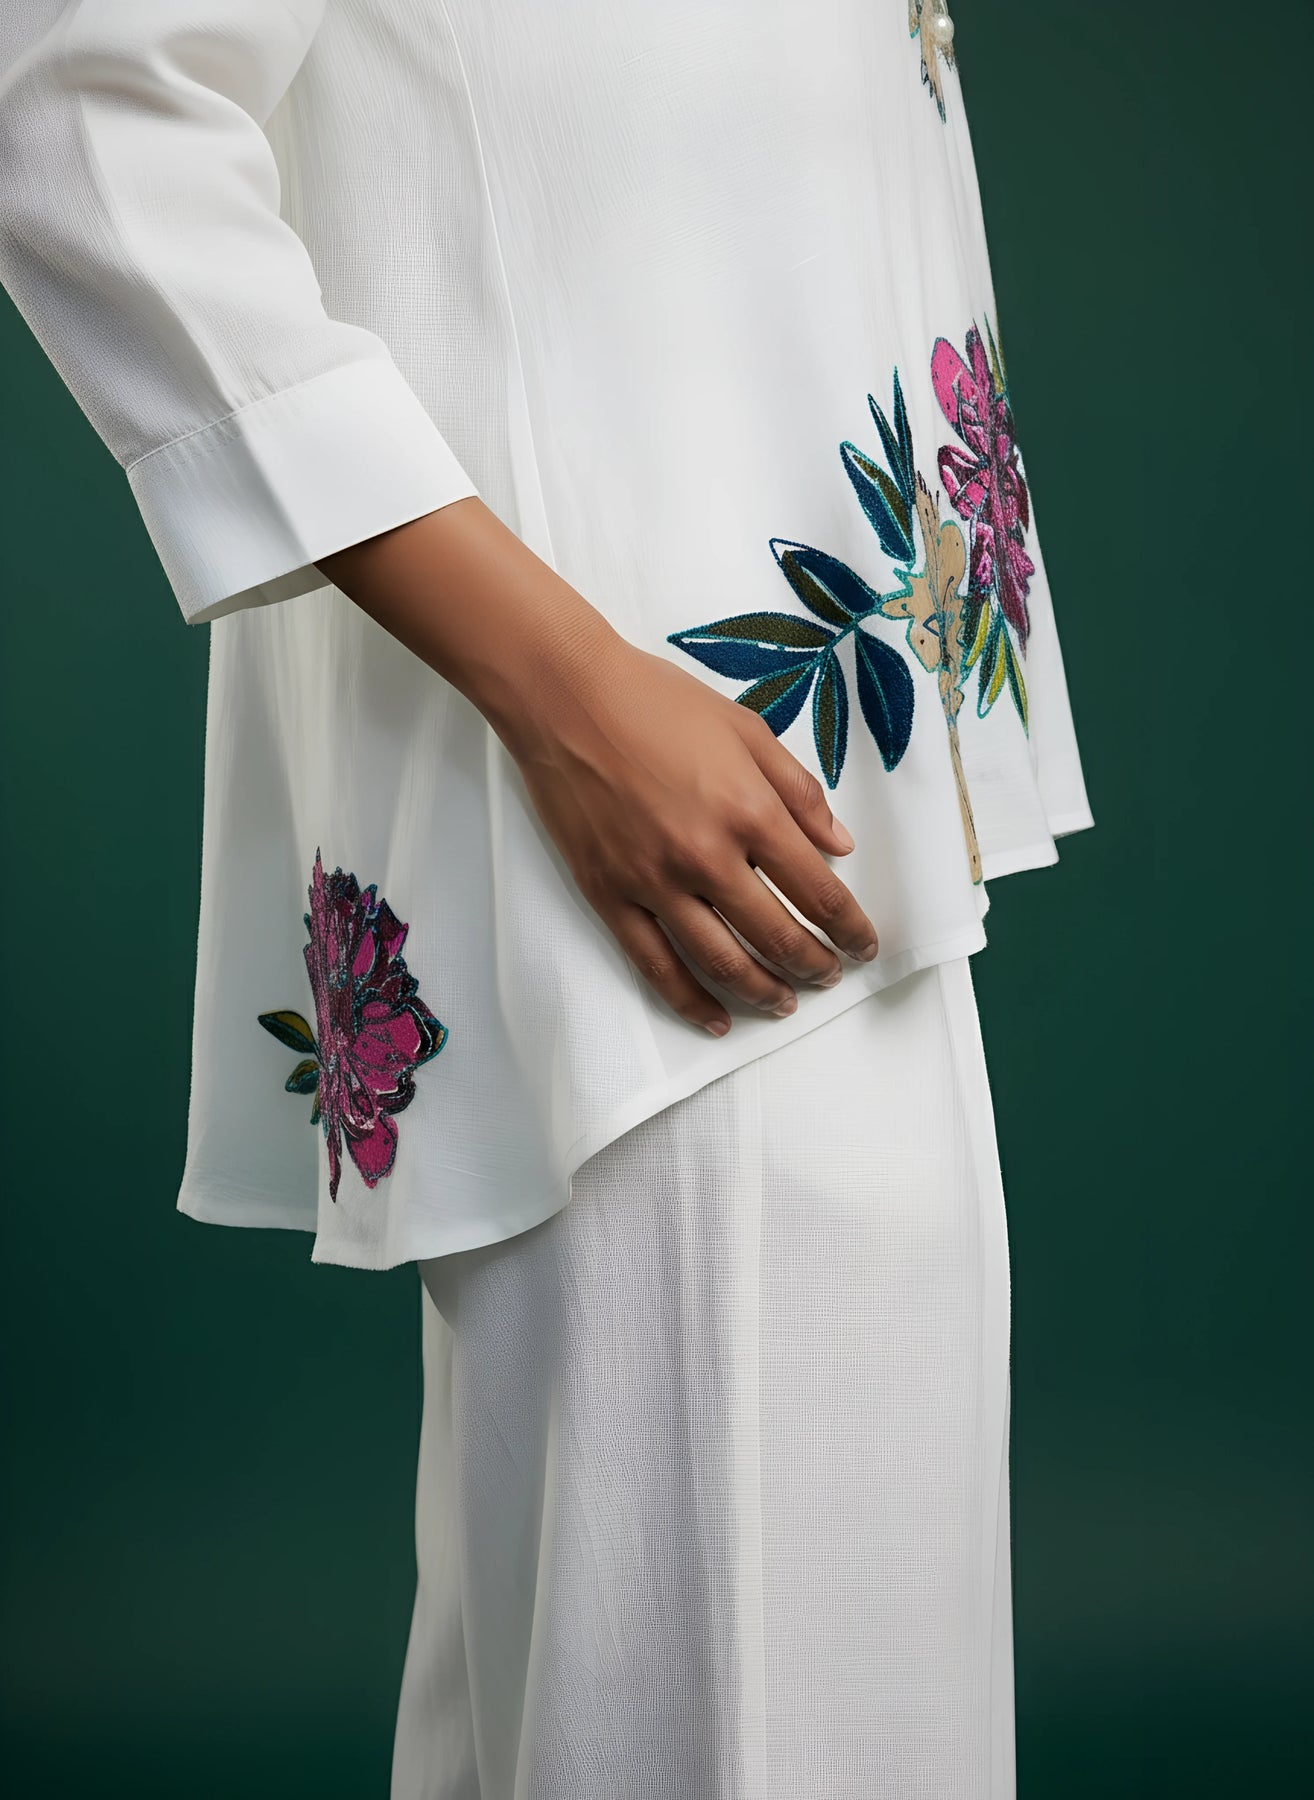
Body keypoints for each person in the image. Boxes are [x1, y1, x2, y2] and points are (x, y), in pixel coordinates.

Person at [0, 2, 1092, 1794]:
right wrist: (566, 695)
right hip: (634, 805)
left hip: (818, 798)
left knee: (654, 1686)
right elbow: (77, 120)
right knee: (758, 1701)